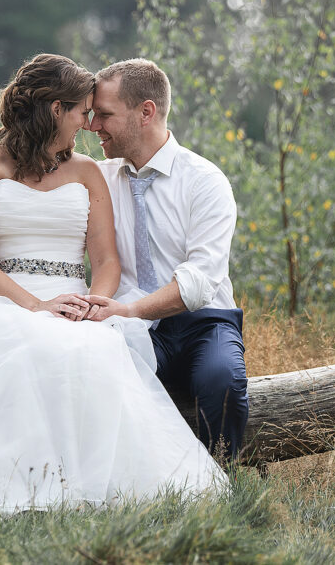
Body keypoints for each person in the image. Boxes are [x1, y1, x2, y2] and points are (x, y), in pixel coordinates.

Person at [0, 54, 225, 519]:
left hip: (74, 301)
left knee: (89, 351)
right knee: (23, 350)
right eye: (82, 112)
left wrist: (95, 303)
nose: (88, 124)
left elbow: (107, 260)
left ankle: (88, 486)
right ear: (54, 110)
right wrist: (35, 305)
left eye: (95, 114)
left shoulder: (88, 172)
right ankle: (15, 484)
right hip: (6, 299)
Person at [80, 58, 248, 461]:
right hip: (120, 323)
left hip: (201, 323)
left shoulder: (205, 181)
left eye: (104, 115)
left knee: (222, 378)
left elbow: (200, 281)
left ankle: (221, 486)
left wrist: (131, 309)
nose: (92, 126)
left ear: (146, 112)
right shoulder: (96, 178)